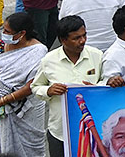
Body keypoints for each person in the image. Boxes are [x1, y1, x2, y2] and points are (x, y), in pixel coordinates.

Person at [30, 15, 106, 157]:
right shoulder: (48, 61)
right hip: (60, 131)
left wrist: (96, 89)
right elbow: (35, 87)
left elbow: (106, 82)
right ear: (63, 40)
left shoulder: (97, 56)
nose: (82, 41)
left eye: (84, 36)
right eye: (76, 38)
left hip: (92, 129)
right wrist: (49, 91)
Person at [0, 13, 48, 157]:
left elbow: (30, 87)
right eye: (4, 30)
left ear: (22, 34)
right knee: (1, 144)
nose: (4, 34)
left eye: (8, 32)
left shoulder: (39, 52)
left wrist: (2, 101)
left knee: (30, 147)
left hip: (27, 110)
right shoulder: (1, 46)